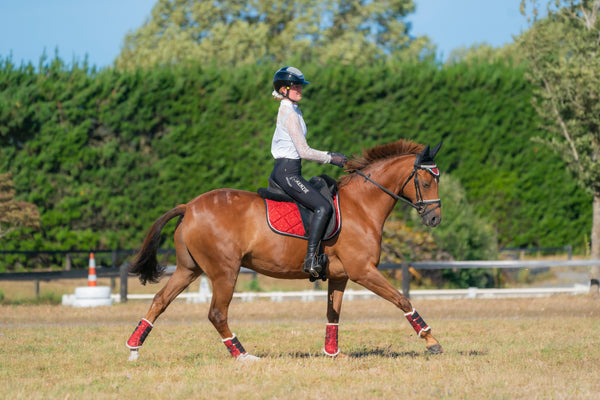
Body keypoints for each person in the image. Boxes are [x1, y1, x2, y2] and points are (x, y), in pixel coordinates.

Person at [269, 66, 347, 277]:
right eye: (295, 87)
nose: (300, 90)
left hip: (287, 170)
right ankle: (310, 260)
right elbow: (303, 151)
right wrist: (332, 157)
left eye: (300, 86)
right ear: (283, 89)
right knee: (323, 206)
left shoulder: (293, 109)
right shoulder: (289, 114)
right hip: (288, 172)